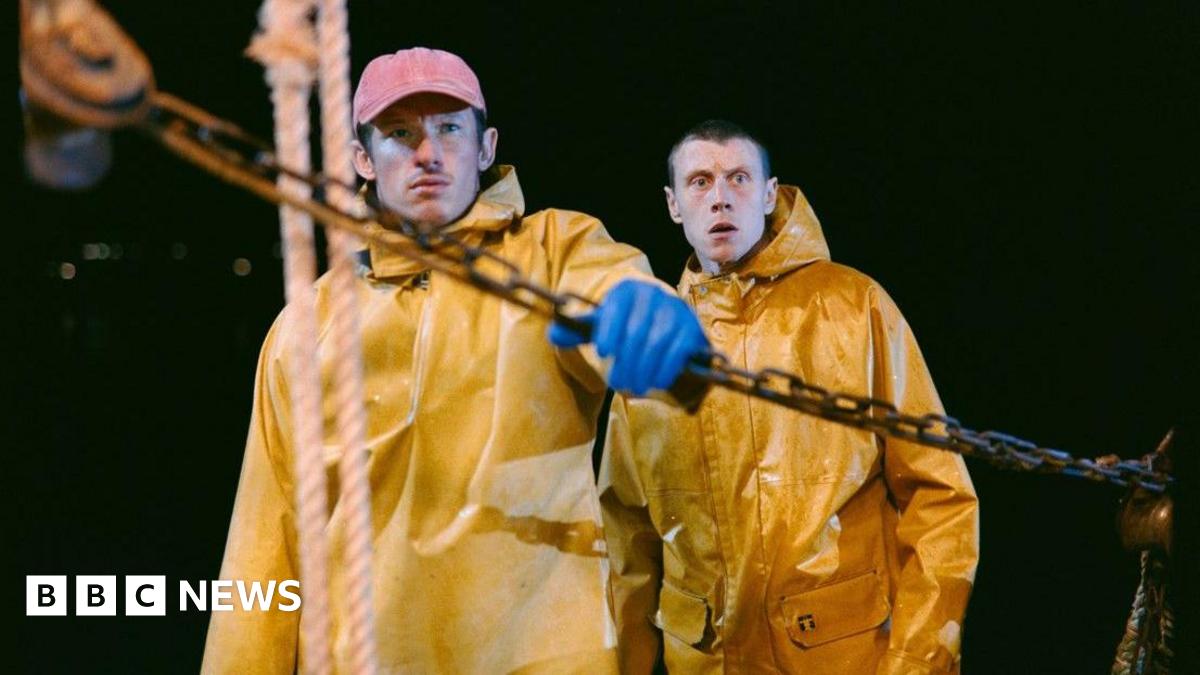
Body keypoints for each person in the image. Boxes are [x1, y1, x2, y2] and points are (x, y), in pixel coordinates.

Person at [202, 47, 705, 674]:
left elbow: (615, 291)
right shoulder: (308, 327)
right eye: (400, 133)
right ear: (363, 159)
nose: (428, 153)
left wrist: (651, 314)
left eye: (449, 128)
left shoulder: (555, 253)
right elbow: (262, 547)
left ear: (486, 145)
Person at [598, 120, 980, 674]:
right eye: (700, 182)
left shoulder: (852, 306)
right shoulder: (656, 342)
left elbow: (938, 498)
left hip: (844, 658)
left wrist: (917, 662)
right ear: (673, 204)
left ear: (770, 193)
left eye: (739, 178)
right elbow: (625, 540)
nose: (721, 197)